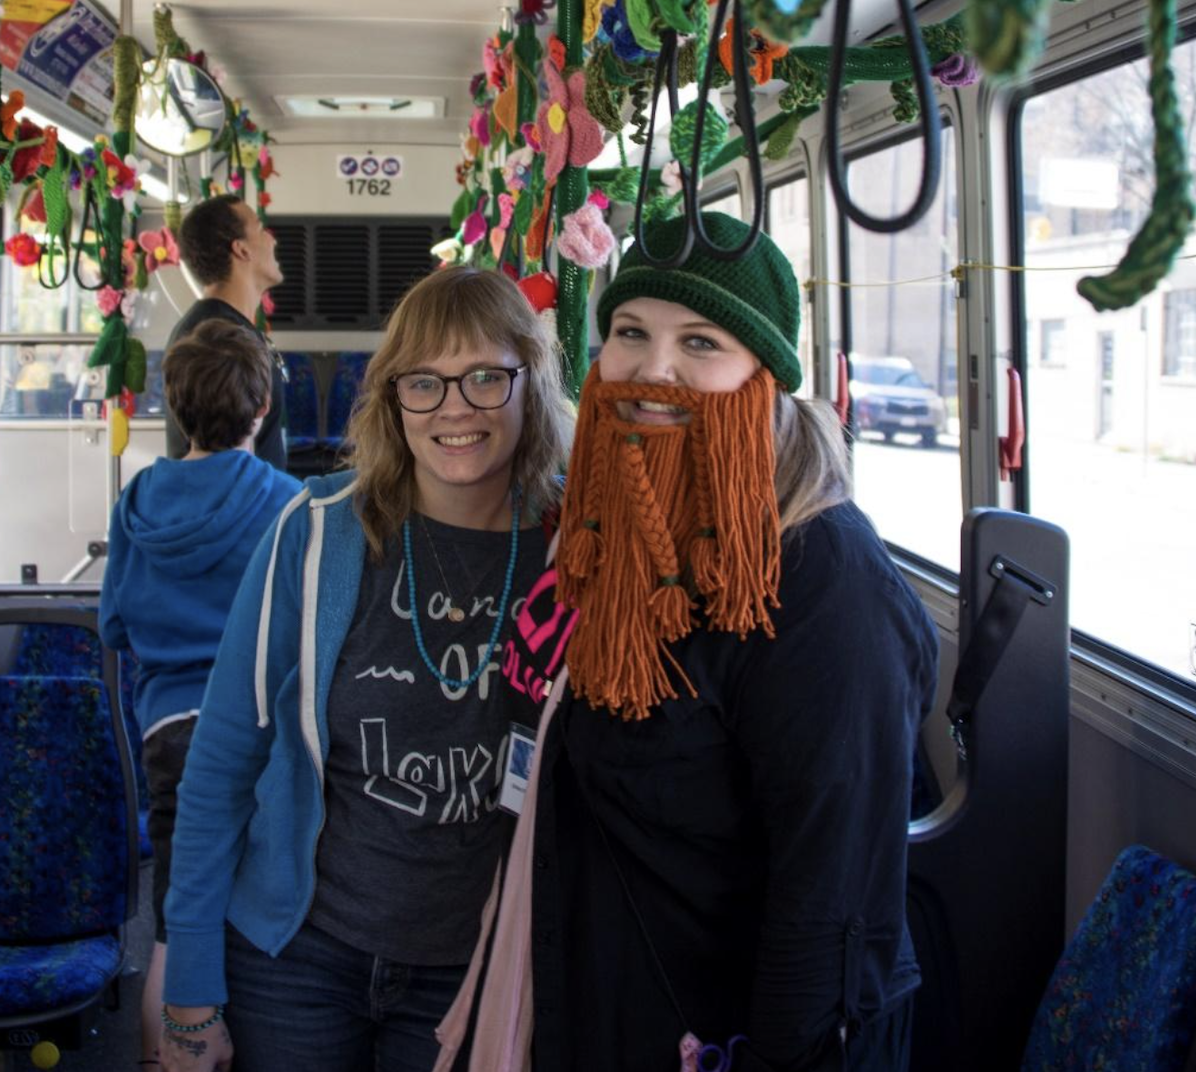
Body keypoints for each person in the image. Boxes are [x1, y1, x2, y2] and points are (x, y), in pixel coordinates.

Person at [440, 212, 939, 1072]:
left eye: (701, 341)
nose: (652, 369)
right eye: (631, 332)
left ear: (766, 375)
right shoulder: (614, 525)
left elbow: (827, 914)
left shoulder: (821, 583)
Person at [159, 266, 576, 1072]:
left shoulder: (576, 549)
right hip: (299, 960)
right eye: (425, 382)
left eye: (486, 377)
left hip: (475, 964)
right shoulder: (314, 534)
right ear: (393, 398)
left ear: (531, 381)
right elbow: (221, 765)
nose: (454, 407)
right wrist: (189, 992)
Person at [99, 318, 303, 1069]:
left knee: (173, 918)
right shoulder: (287, 502)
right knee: (249, 910)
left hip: (164, 732)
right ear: (262, 409)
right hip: (251, 730)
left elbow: (115, 624)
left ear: (174, 407)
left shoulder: (138, 499)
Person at [164, 193, 287, 468]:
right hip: (242, 508)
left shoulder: (232, 327)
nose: (273, 239)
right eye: (260, 230)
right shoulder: (213, 338)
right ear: (241, 250)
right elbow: (218, 465)